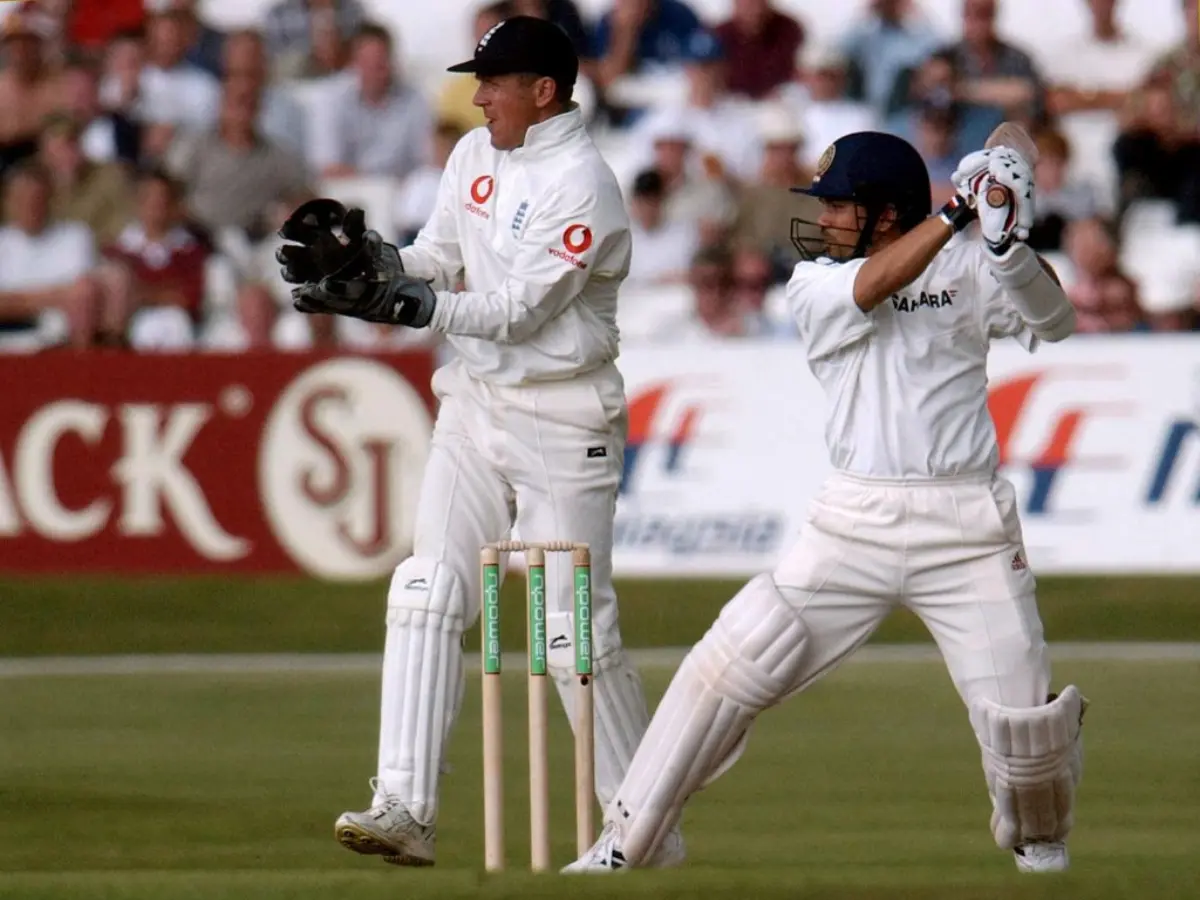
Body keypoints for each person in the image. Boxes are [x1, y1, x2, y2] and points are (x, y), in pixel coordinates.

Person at [563, 131, 1088, 875]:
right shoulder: (814, 281)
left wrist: (1006, 249)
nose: (826, 218)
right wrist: (956, 213)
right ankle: (626, 842)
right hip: (853, 522)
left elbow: (1056, 322)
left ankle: (1041, 855)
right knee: (734, 657)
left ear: (885, 213)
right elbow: (872, 287)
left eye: (841, 205)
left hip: (965, 524)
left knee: (1026, 734)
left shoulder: (971, 261)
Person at [275, 15, 684, 868]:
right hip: (472, 406)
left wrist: (408, 307)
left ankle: (643, 828)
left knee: (571, 630)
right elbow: (440, 257)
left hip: (565, 420)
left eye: (493, 82)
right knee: (425, 590)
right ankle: (405, 808)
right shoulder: (474, 156)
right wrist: (372, 265)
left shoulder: (585, 183)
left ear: (544, 90)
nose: (478, 95)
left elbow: (518, 313)